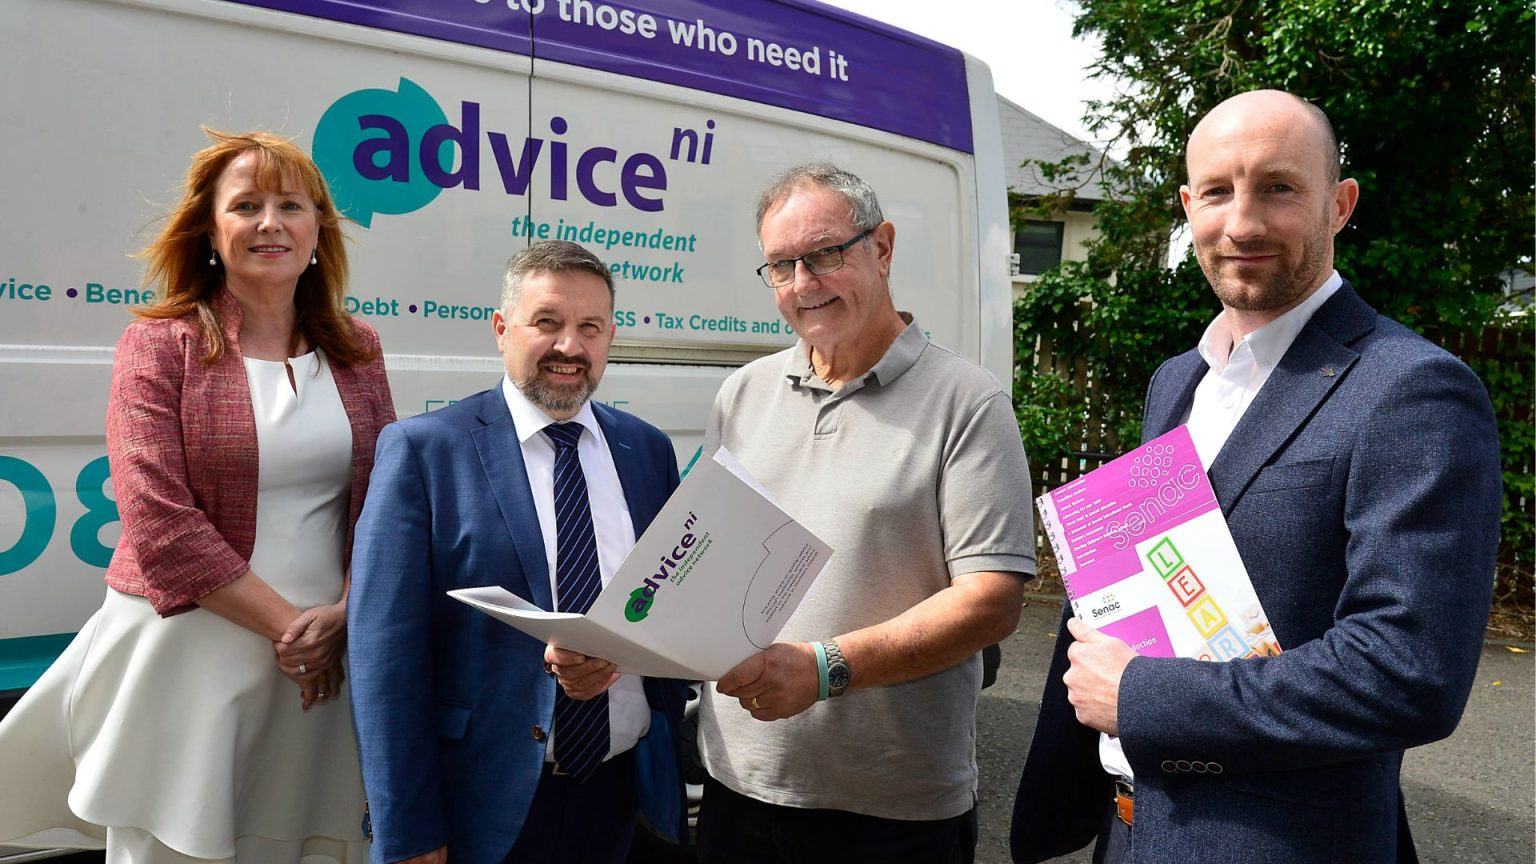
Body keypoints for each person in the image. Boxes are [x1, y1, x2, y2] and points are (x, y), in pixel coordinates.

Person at [1009, 90, 1503, 864]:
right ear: (1188, 207)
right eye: (1217, 191)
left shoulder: (1413, 390)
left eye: (1278, 187)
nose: (1241, 223)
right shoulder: (1178, 380)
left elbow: (1407, 671)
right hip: (1131, 831)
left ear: (1339, 205)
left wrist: (1138, 695)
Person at [0, 128, 395, 863]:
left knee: (311, 844)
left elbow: (384, 504)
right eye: (246, 206)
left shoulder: (357, 348)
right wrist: (295, 633)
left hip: (326, 664)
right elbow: (158, 522)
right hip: (194, 654)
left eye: (291, 205)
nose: (271, 223)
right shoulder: (160, 344)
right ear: (211, 232)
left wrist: (345, 615)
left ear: (319, 230)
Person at [693, 163, 1036, 863]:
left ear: (882, 248)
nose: (803, 284)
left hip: (892, 814)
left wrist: (824, 668)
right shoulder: (742, 395)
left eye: (824, 254)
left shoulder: (967, 403)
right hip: (737, 787)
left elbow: (992, 603)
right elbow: (706, 562)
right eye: (781, 265)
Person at [347, 239, 688, 864]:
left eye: (590, 327)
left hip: (622, 797)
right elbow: (384, 656)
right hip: (480, 806)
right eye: (547, 323)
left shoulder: (647, 450)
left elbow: (668, 599)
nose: (570, 347)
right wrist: (407, 828)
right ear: (502, 330)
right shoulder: (424, 451)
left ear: (611, 335)